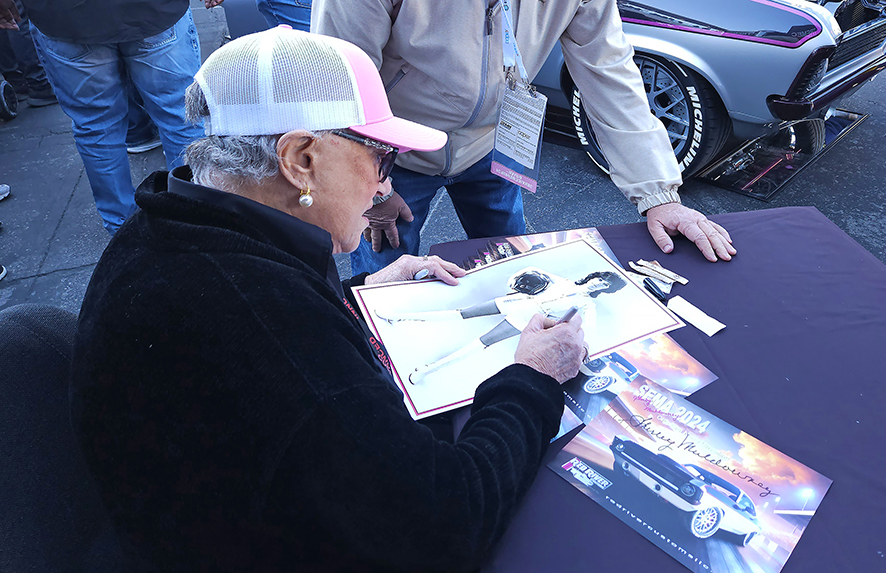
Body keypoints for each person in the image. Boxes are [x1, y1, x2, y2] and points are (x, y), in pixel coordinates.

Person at [71, 28, 586, 571]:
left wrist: (353, 299)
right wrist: (533, 377)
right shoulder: (265, 321)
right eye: (382, 159)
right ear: (300, 160)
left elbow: (260, 335)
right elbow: (444, 526)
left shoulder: (172, 223)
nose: (385, 189)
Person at [312, 0, 737, 276]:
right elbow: (339, 86)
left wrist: (658, 193)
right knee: (388, 273)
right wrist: (373, 186)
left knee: (513, 264)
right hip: (394, 156)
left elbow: (610, 76)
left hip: (494, 142)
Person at [19, 0, 223, 235]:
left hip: (65, 16)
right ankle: (196, 217)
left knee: (97, 128)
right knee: (181, 116)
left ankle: (124, 230)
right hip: (152, 11)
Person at [378, 268, 622, 383]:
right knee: (460, 313)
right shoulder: (566, 280)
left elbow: (586, 329)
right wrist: (516, 281)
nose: (596, 285)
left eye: (603, 286)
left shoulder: (588, 306)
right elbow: (532, 272)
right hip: (514, 301)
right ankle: (400, 316)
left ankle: (428, 369)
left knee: (480, 343)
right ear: (592, 277)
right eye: (598, 280)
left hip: (526, 319)